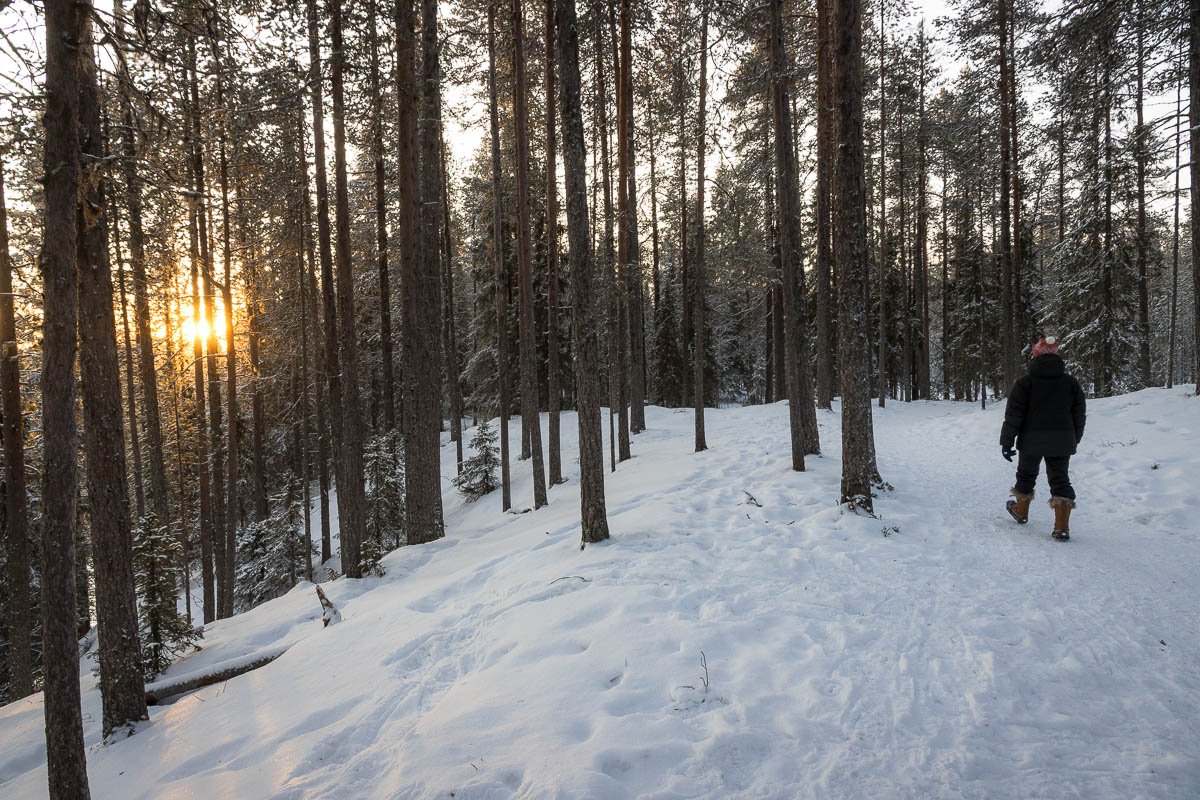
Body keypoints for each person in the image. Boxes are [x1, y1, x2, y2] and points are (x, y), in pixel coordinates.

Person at [1000, 336, 1087, 540]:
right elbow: (1079, 414)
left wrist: (1007, 441)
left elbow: (1014, 414)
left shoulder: (1025, 383)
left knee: (1026, 474)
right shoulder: (1071, 383)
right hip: (1062, 440)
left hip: (1031, 439)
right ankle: (1061, 527)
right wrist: (1075, 438)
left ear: (1035, 356)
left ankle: (1021, 511)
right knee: (1060, 478)